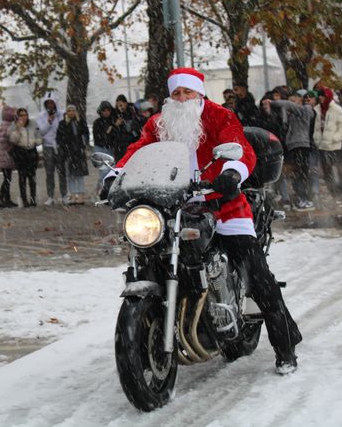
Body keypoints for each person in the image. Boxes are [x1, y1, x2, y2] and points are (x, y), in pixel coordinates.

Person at [102, 67, 302, 374]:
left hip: (223, 205)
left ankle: (285, 346)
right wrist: (116, 175)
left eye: (188, 92)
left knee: (255, 272)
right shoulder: (159, 123)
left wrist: (232, 172)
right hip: (174, 205)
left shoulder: (219, 116)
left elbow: (240, 146)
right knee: (151, 253)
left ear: (200, 93)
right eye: (176, 93)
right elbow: (138, 150)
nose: (182, 98)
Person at [265, 91, 316, 210]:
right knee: (296, 174)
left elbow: (288, 104)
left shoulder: (306, 110)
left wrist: (272, 102)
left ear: (300, 101)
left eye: (294, 101)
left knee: (301, 174)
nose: (291, 104)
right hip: (292, 146)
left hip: (301, 146)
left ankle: (303, 199)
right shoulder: (291, 114)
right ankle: (300, 199)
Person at [313, 88, 342, 202]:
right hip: (322, 146)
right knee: (327, 172)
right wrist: (316, 139)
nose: (320, 98)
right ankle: (333, 193)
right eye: (319, 95)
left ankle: (341, 192)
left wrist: (335, 138)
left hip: (334, 147)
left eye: (322, 95)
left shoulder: (337, 109)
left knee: (338, 170)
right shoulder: (316, 109)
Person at [36, 92, 67, 205]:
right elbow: (42, 132)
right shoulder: (41, 116)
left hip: (59, 146)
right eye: (48, 103)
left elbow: (64, 128)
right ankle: (50, 196)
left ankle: (64, 195)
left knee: (62, 172)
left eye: (52, 103)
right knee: (49, 172)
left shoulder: (62, 114)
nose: (50, 105)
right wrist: (49, 122)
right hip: (48, 146)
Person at [57, 104, 90, 205]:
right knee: (70, 175)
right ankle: (72, 195)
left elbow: (86, 134)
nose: (71, 112)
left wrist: (83, 144)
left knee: (80, 175)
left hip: (79, 152)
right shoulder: (63, 123)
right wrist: (65, 147)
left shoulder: (80, 122)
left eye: (73, 110)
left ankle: (80, 195)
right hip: (68, 153)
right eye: (69, 111)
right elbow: (59, 138)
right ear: (66, 112)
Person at [9, 108, 42, 207]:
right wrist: (18, 130)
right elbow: (13, 140)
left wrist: (37, 141)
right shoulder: (14, 125)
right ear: (18, 116)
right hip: (20, 152)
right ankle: (24, 199)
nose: (24, 117)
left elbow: (39, 136)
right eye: (21, 115)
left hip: (31, 151)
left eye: (25, 115)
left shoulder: (33, 124)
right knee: (22, 177)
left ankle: (33, 198)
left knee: (32, 177)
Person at [0, 105, 19, 208]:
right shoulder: (10, 126)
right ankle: (1, 199)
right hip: (7, 155)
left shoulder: (2, 125)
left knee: (7, 178)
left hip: (2, 155)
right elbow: (11, 139)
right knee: (7, 179)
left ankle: (6, 199)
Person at [92, 101, 117, 196]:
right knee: (104, 171)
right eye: (104, 111)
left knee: (110, 172)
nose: (106, 112)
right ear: (100, 111)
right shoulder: (97, 123)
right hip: (100, 149)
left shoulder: (113, 121)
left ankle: (106, 192)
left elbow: (114, 136)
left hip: (110, 149)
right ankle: (99, 191)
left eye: (108, 110)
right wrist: (109, 131)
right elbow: (99, 137)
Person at [111, 94, 142, 161]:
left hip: (132, 143)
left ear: (126, 103)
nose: (120, 107)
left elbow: (138, 126)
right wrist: (116, 125)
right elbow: (112, 133)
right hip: (119, 146)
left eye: (121, 105)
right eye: (118, 106)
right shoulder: (115, 114)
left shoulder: (133, 112)